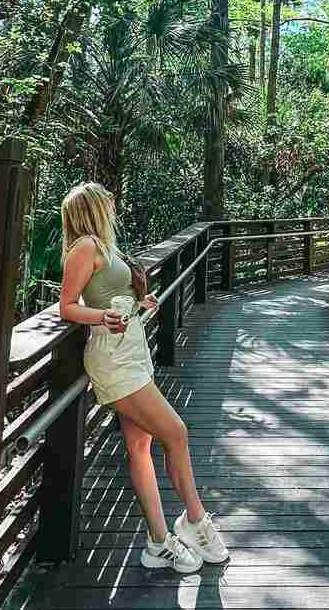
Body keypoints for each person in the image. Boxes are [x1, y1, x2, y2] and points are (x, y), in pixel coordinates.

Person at [58, 181, 229, 575]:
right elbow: (67, 306)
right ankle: (195, 521)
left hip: (133, 349)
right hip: (113, 358)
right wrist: (102, 317)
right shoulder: (84, 247)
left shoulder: (105, 246)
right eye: (107, 201)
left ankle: (157, 543)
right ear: (93, 208)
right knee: (177, 433)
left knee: (140, 447)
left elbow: (110, 294)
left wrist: (138, 303)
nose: (114, 204)